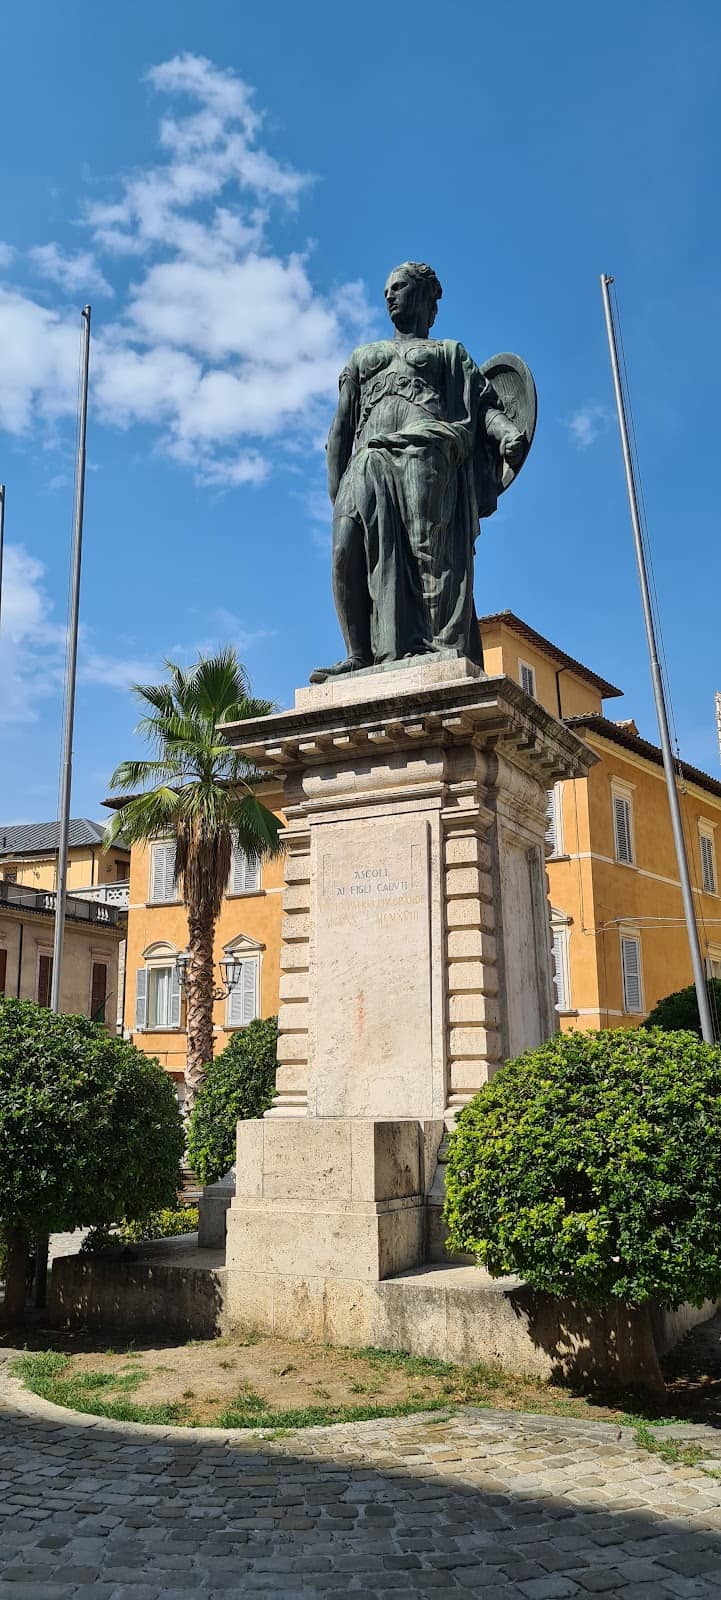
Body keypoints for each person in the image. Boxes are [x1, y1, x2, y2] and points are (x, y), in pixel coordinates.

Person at [311, 261, 526, 682]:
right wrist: (338, 493)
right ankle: (359, 654)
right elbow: (339, 428)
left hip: (426, 456)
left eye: (400, 287)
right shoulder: (362, 357)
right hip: (366, 462)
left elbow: (484, 409)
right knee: (345, 554)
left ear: (426, 298)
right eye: (387, 290)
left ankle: (437, 649)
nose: (390, 295)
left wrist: (505, 436)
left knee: (430, 554)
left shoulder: (448, 352)